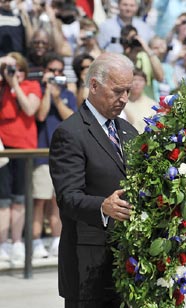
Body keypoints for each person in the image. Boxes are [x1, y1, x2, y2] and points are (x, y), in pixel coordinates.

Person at [49, 52, 138, 307]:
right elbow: (68, 197)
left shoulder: (128, 131)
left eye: (128, 91)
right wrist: (102, 207)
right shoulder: (70, 133)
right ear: (95, 86)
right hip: (87, 264)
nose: (123, 99)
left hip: (127, 264)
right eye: (117, 91)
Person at [32, 52, 78, 259]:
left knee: (58, 201)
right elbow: (41, 114)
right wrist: (47, 93)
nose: (56, 74)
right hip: (42, 153)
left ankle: (56, 241)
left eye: (60, 71)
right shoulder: (39, 90)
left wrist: (58, 97)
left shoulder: (67, 94)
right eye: (52, 70)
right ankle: (34, 242)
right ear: (45, 71)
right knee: (40, 200)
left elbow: (71, 118)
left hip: (63, 156)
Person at [0, 52, 42, 263]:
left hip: (24, 149)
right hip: (3, 150)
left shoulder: (30, 86)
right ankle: (3, 243)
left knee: (19, 198)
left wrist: (14, 84)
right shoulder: (1, 87)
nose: (11, 72)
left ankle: (16, 241)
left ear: (23, 71)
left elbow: (30, 109)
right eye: (9, 69)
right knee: (3, 200)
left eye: (16, 68)